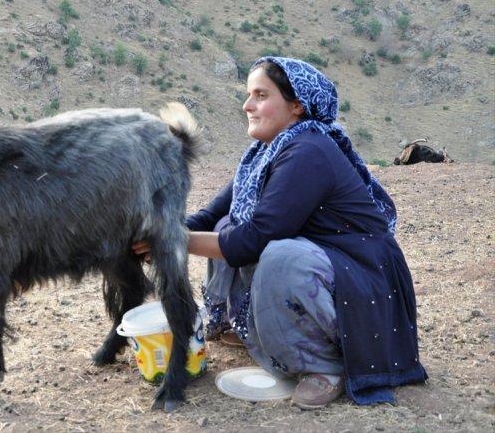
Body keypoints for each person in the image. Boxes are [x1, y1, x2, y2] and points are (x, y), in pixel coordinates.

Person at [133, 57, 427, 408]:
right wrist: (154, 233)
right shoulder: (265, 152)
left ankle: (326, 365)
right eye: (248, 95)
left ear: (297, 106)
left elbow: (255, 239)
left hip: (362, 278)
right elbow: (212, 216)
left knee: (280, 256)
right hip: (331, 266)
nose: (247, 106)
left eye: (260, 95)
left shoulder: (309, 151)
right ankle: (250, 329)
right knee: (230, 225)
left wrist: (170, 243)